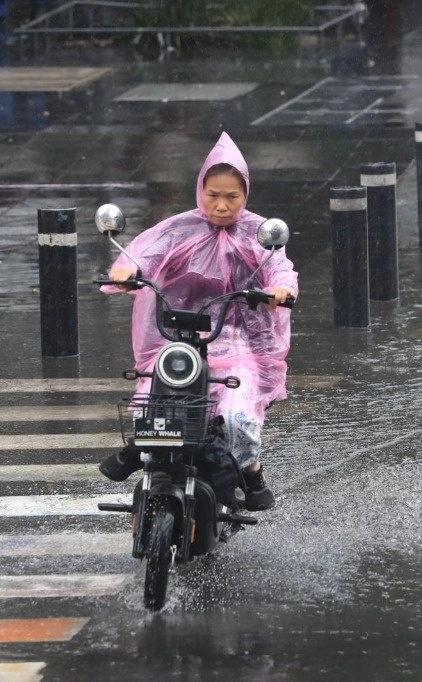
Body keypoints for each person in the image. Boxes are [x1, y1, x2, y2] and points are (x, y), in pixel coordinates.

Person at [98, 131, 298, 511]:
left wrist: (281, 291)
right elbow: (145, 255)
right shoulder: (178, 229)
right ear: (200, 190)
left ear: (245, 195)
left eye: (232, 196)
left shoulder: (259, 234)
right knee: (151, 408)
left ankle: (251, 468)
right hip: (176, 339)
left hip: (238, 341)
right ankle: (143, 465)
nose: (222, 205)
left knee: (238, 416)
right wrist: (125, 270)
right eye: (213, 195)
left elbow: (280, 269)